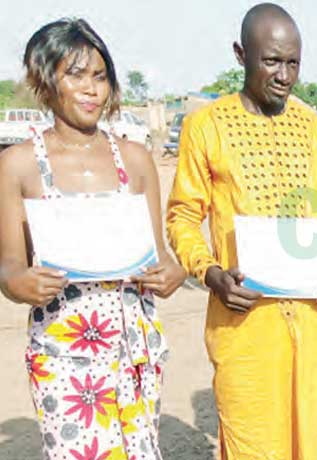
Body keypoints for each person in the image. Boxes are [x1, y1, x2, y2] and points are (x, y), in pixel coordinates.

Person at [165, 4, 317, 459]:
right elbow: (183, 217)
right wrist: (211, 274)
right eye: (271, 61)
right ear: (240, 54)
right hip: (246, 324)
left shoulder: (316, 130)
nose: (284, 75)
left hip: (316, 325)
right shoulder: (206, 126)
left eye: (293, 63)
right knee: (254, 446)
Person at [0, 18, 185, 459]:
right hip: (64, 352)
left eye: (100, 76)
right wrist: (20, 284)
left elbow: (160, 254)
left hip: (135, 349)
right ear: (43, 81)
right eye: (75, 74)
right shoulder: (18, 165)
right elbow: (9, 267)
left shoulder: (136, 160)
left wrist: (172, 273)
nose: (92, 89)